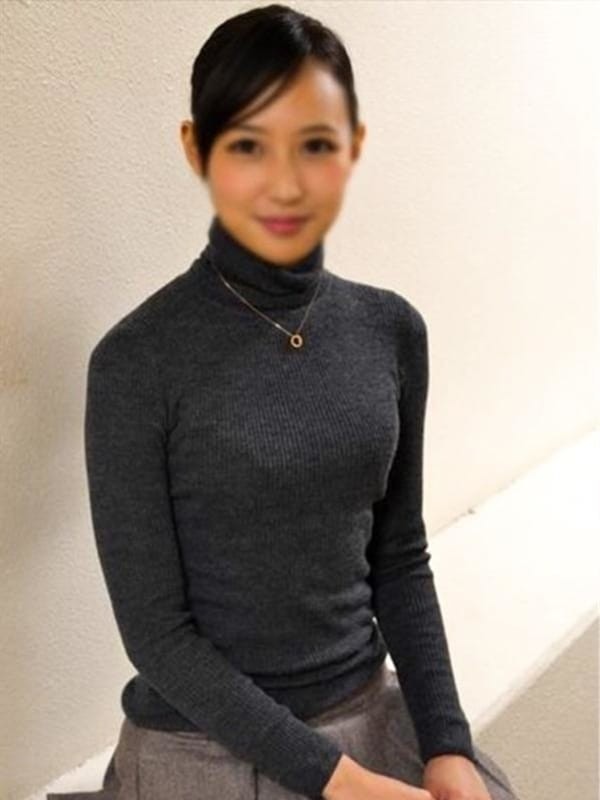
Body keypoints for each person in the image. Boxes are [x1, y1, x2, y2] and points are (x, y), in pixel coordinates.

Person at [48, 4, 522, 800]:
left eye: (315, 145)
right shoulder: (135, 363)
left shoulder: (392, 330)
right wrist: (339, 782)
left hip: (372, 718)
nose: (286, 182)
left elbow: (399, 557)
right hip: (202, 746)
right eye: (247, 145)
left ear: (352, 148)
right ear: (196, 148)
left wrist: (447, 745)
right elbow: (158, 636)